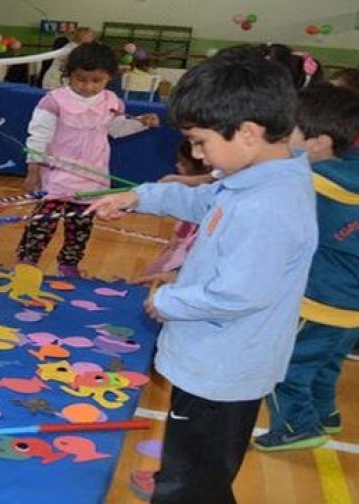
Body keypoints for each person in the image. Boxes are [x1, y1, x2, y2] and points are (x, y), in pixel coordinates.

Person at [87, 46, 318, 504]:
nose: (196, 153)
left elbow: (238, 293)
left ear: (248, 132)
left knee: (192, 483)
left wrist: (167, 300)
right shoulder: (256, 180)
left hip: (222, 369)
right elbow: (206, 204)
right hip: (217, 362)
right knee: (195, 469)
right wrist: (140, 198)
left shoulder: (266, 206)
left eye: (200, 141)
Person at [252, 84, 359, 452]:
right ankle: (326, 413)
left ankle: (296, 425)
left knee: (283, 367)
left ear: (319, 142)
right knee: (324, 363)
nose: (283, 139)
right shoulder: (349, 172)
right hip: (350, 307)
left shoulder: (314, 180)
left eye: (290, 132)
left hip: (319, 300)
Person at [16, 42, 156, 278]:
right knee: (43, 222)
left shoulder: (111, 101)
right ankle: (28, 261)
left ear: (109, 78)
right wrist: (33, 171)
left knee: (80, 226)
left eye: (97, 81)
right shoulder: (54, 101)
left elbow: (116, 129)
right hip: (57, 176)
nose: (88, 86)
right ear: (69, 74)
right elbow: (38, 137)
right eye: (81, 79)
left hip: (92, 175)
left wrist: (141, 122)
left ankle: (69, 264)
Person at [134, 140, 210, 285]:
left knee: (159, 279)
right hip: (180, 248)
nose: (177, 166)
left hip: (187, 253)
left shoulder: (201, 195)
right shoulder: (196, 191)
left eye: (183, 163)